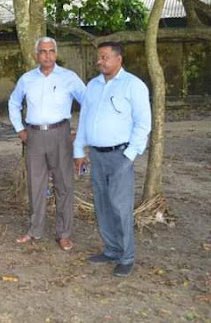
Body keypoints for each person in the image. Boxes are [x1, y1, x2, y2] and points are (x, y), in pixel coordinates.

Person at [73, 41, 151, 277]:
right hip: (97, 155)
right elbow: (85, 119)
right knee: (102, 204)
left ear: (119, 59)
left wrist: (129, 156)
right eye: (99, 57)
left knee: (120, 206)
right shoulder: (93, 85)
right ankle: (111, 250)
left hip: (120, 155)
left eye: (105, 57)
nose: (100, 61)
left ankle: (127, 256)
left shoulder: (133, 85)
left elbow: (143, 123)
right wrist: (79, 151)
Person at [8, 37, 86, 251]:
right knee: (36, 185)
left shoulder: (69, 77)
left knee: (64, 185)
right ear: (36, 55)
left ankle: (64, 233)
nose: (47, 55)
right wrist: (19, 129)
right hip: (34, 136)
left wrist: (81, 132)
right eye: (43, 51)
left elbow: (88, 102)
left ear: (56, 53)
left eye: (51, 51)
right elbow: (13, 103)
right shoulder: (27, 79)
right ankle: (35, 230)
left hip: (61, 134)